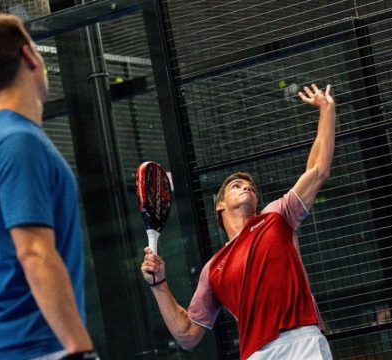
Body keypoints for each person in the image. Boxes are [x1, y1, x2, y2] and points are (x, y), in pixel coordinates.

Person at [141, 84, 336, 359]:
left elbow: (317, 171)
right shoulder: (213, 269)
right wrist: (158, 285)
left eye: (251, 187)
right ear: (219, 205)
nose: (247, 187)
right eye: (236, 185)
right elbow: (188, 334)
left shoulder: (276, 216)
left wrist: (326, 110)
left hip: (302, 342)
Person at [0, 14, 98, 360]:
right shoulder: (18, 142)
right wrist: (78, 347)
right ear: (31, 57)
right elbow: (33, 251)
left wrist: (14, 314)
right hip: (41, 350)